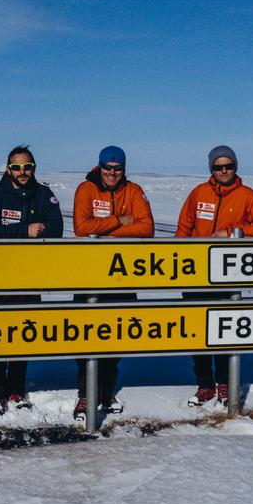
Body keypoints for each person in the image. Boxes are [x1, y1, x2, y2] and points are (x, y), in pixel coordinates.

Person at [175, 144, 253, 407]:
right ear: (211, 169)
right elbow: (183, 229)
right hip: (194, 274)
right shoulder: (198, 193)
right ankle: (205, 385)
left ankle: (224, 385)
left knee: (223, 332)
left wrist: (233, 232)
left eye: (228, 166)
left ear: (235, 167)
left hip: (226, 276)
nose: (223, 171)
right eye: (218, 167)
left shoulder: (247, 196)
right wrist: (177, 266)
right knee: (197, 332)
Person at [0, 145, 63, 413]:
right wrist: (24, 231)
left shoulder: (44, 195)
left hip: (29, 275)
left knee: (22, 332)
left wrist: (16, 232)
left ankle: (15, 389)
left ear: (34, 167)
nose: (22, 171)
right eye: (17, 167)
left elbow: (56, 229)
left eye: (27, 166)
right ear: (8, 169)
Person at [71, 145, 154, 418]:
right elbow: (82, 228)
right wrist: (119, 220)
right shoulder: (86, 189)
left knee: (117, 333)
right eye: (107, 168)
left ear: (123, 170)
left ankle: (106, 390)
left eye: (117, 169)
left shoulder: (134, 191)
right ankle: (85, 394)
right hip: (88, 274)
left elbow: (147, 227)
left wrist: (110, 234)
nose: (112, 173)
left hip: (123, 275)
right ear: (100, 168)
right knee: (87, 336)